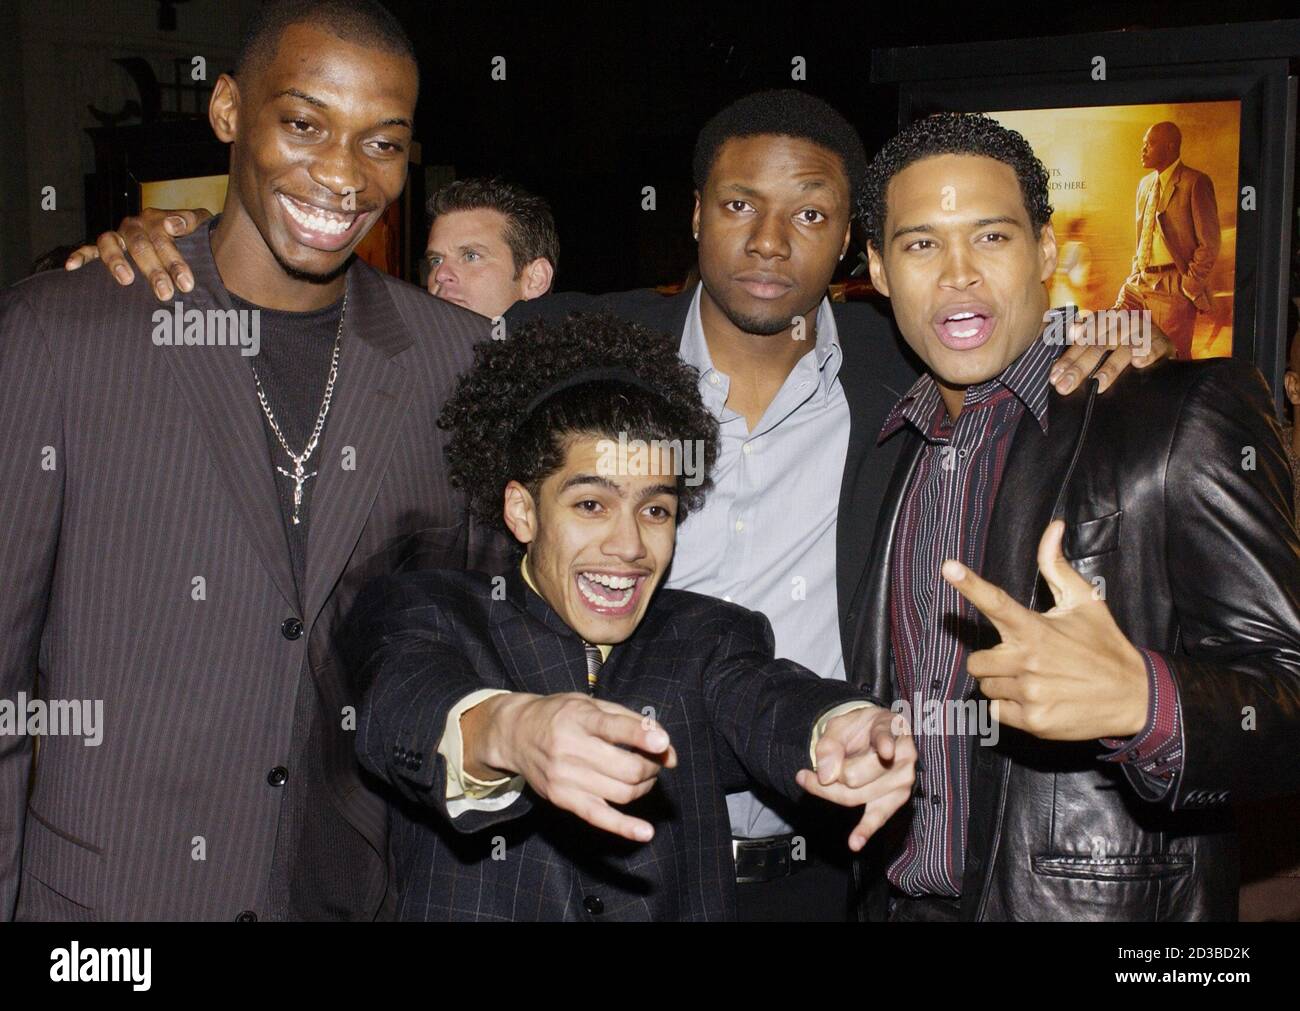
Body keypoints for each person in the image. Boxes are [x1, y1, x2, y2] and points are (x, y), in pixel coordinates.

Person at [67, 88, 1168, 921]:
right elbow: (370, 339)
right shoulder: (570, 349)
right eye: (738, 204)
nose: (769, 241)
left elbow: (989, 320)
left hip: (827, 865)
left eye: (810, 213)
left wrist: (1107, 334)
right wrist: (196, 253)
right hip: (560, 859)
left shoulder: (907, 368)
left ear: (856, 250)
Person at [0, 0, 506, 921]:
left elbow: (457, 651)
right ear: (230, 112)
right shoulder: (62, 333)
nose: (343, 176)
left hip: (346, 896)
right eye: (305, 124)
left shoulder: (457, 364)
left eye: (382, 143)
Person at [856, 111, 1300, 921]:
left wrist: (1147, 700)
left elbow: (1289, 697)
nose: (958, 273)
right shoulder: (883, 443)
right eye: (921, 244)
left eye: (991, 237)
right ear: (880, 272)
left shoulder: (1174, 414)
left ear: (1045, 252)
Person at [344, 311, 916, 920]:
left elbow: (768, 700)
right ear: (522, 511)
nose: (630, 546)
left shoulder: (706, 637)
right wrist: (512, 731)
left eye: (656, 511)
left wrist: (837, 724)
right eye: (591, 504)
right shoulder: (431, 609)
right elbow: (402, 700)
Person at [1112, 121, 1220, 360]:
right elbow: (1142, 235)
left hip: (1173, 287)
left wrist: (1188, 285)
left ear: (1170, 147)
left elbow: (1209, 243)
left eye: (1150, 144)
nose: (1143, 149)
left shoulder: (1195, 182)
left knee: (1169, 363)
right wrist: (1135, 272)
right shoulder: (1144, 185)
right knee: (1113, 339)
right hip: (1139, 282)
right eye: (1143, 144)